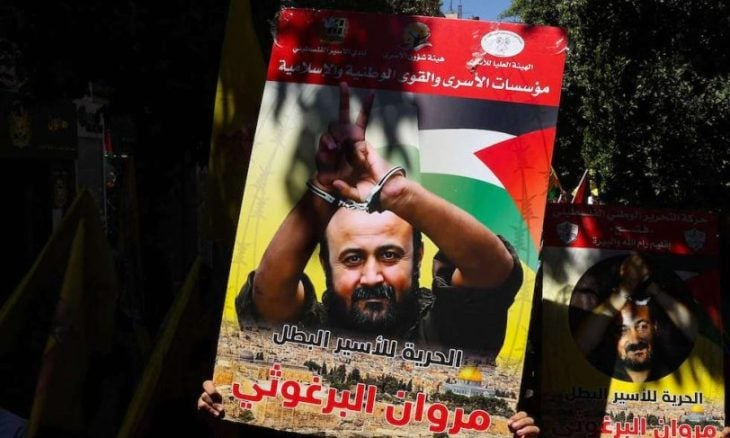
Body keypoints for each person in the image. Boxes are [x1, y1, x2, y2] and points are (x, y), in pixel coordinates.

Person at [234, 82, 522, 351]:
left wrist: (401, 196)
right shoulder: (310, 331)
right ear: (325, 263)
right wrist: (324, 187)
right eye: (352, 259)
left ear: (418, 256)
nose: (371, 277)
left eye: (389, 255)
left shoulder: (447, 330)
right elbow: (268, 295)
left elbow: (493, 270)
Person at [575, 254, 697, 383]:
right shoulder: (597, 373)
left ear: (655, 328)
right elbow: (581, 344)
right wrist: (625, 289)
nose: (635, 339)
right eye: (622, 330)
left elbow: (695, 331)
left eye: (643, 326)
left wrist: (652, 288)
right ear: (611, 335)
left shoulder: (679, 370)